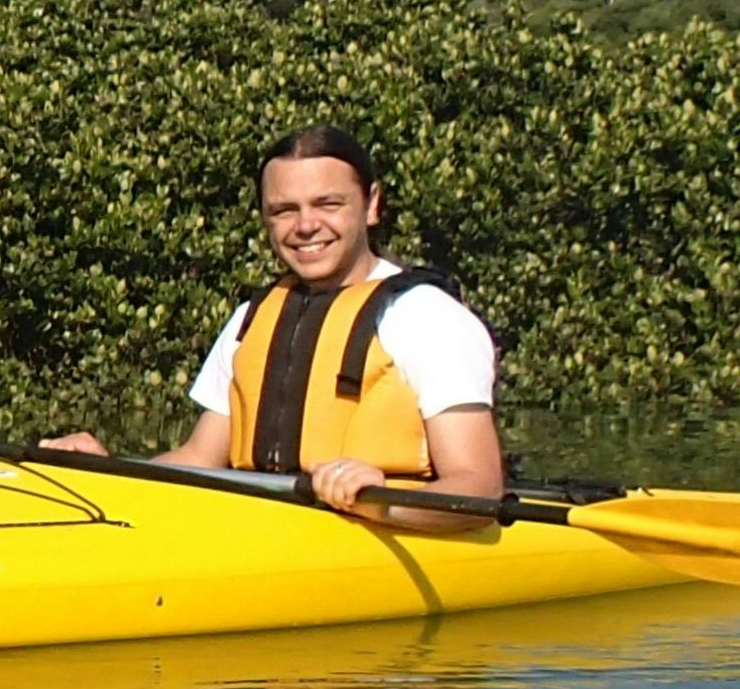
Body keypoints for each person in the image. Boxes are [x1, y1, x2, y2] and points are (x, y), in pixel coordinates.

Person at [47, 123, 506, 522]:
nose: (305, 226)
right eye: (285, 210)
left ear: (371, 205)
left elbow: (479, 486)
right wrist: (108, 474)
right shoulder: (254, 316)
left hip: (383, 528)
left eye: (327, 204)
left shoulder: (428, 317)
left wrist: (380, 502)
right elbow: (198, 459)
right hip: (262, 526)